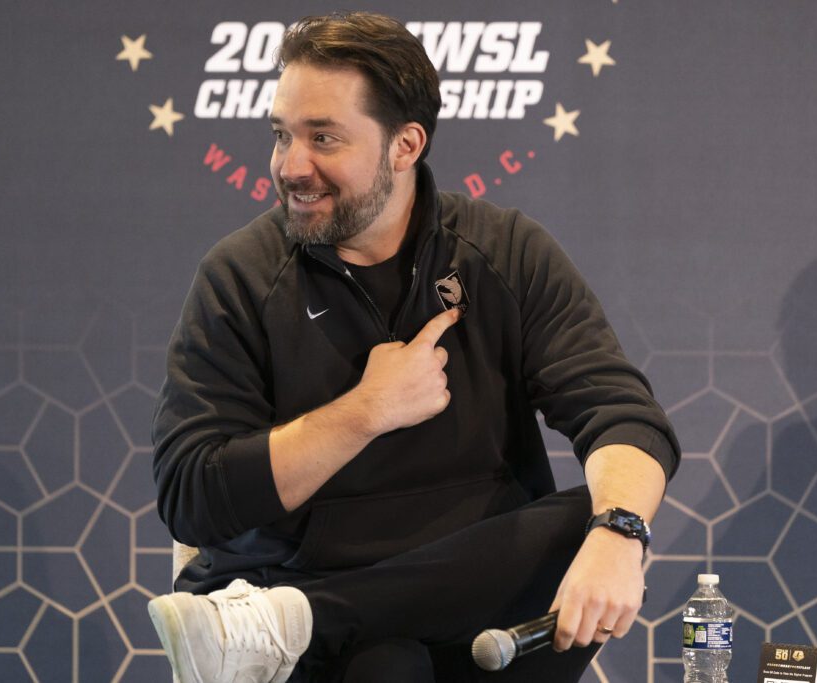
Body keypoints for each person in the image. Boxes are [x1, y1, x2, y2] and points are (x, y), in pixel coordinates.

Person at [148, 11, 679, 683]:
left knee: (596, 516)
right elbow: (193, 492)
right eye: (282, 135)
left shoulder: (504, 252)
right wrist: (364, 410)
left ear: (405, 145)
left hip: (475, 607)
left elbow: (623, 413)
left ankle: (305, 615)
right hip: (306, 603)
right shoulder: (241, 277)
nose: (290, 165)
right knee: (386, 666)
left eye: (324, 138)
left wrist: (621, 530)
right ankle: (302, 620)